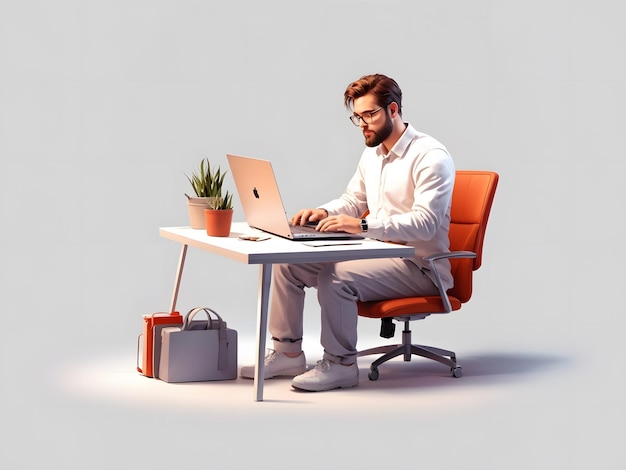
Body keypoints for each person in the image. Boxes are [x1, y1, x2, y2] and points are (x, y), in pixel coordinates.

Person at [240, 73, 455, 391]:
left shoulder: (431, 158)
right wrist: (325, 212)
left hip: (421, 266)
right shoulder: (374, 153)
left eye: (369, 115)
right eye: (357, 117)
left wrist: (364, 226)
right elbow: (353, 200)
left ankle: (341, 364)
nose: (363, 124)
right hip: (380, 253)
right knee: (288, 263)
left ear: (393, 110)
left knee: (336, 276)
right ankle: (287, 352)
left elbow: (425, 224)